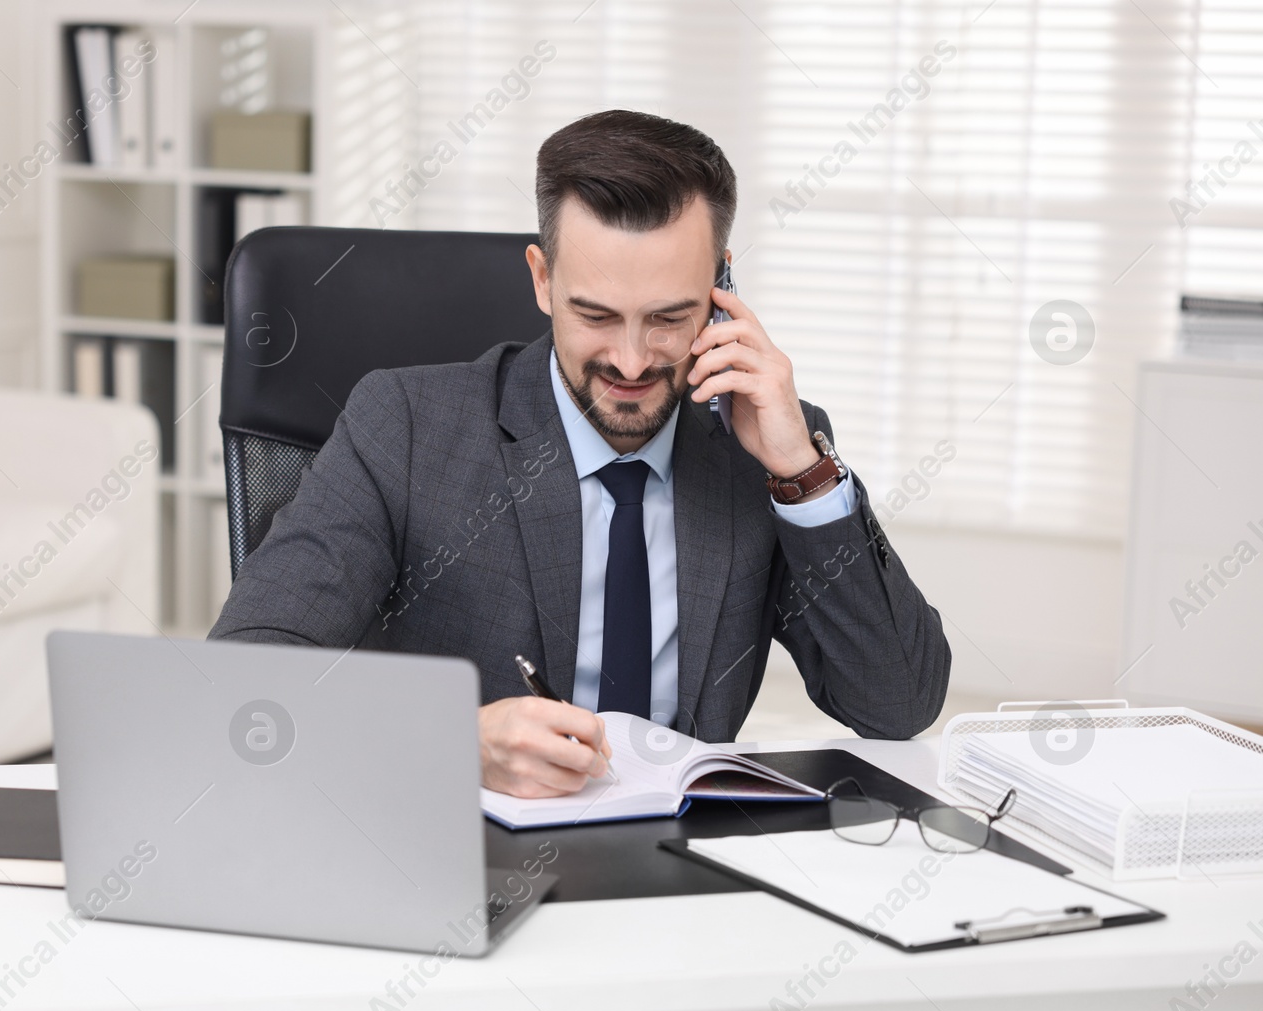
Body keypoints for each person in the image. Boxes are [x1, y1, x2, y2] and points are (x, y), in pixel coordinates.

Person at [211, 109, 951, 799]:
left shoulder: (760, 443)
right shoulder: (404, 426)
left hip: (680, 868)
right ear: (542, 279)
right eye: (595, 315)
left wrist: (805, 475)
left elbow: (897, 704)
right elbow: (247, 675)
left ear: (721, 286)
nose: (631, 361)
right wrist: (453, 743)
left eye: (668, 318)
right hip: (467, 851)